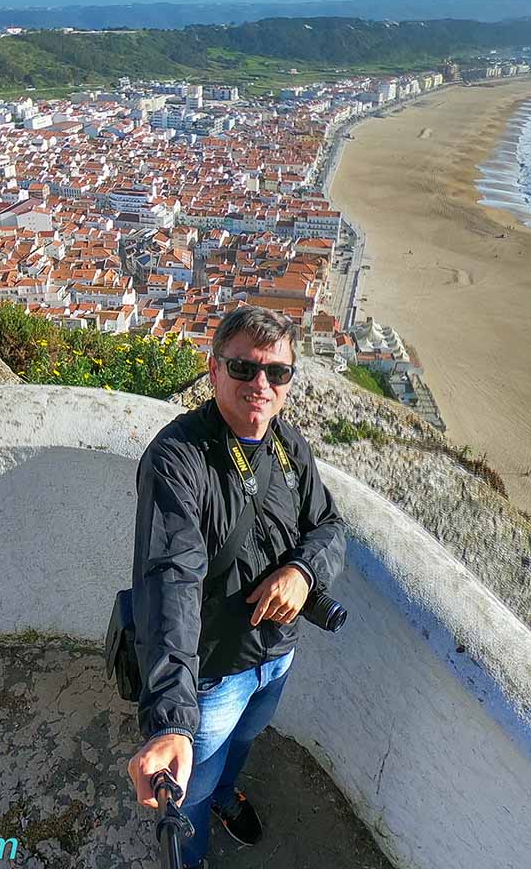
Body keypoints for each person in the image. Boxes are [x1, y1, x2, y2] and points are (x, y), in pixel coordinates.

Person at [125, 305, 347, 869]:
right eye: (244, 369)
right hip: (211, 672)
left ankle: (228, 792)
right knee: (191, 790)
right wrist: (172, 721)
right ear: (213, 369)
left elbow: (328, 526)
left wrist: (304, 572)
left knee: (245, 740)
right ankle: (195, 848)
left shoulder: (286, 444)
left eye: (277, 373)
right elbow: (169, 584)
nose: (261, 385)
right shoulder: (178, 459)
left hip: (277, 654)